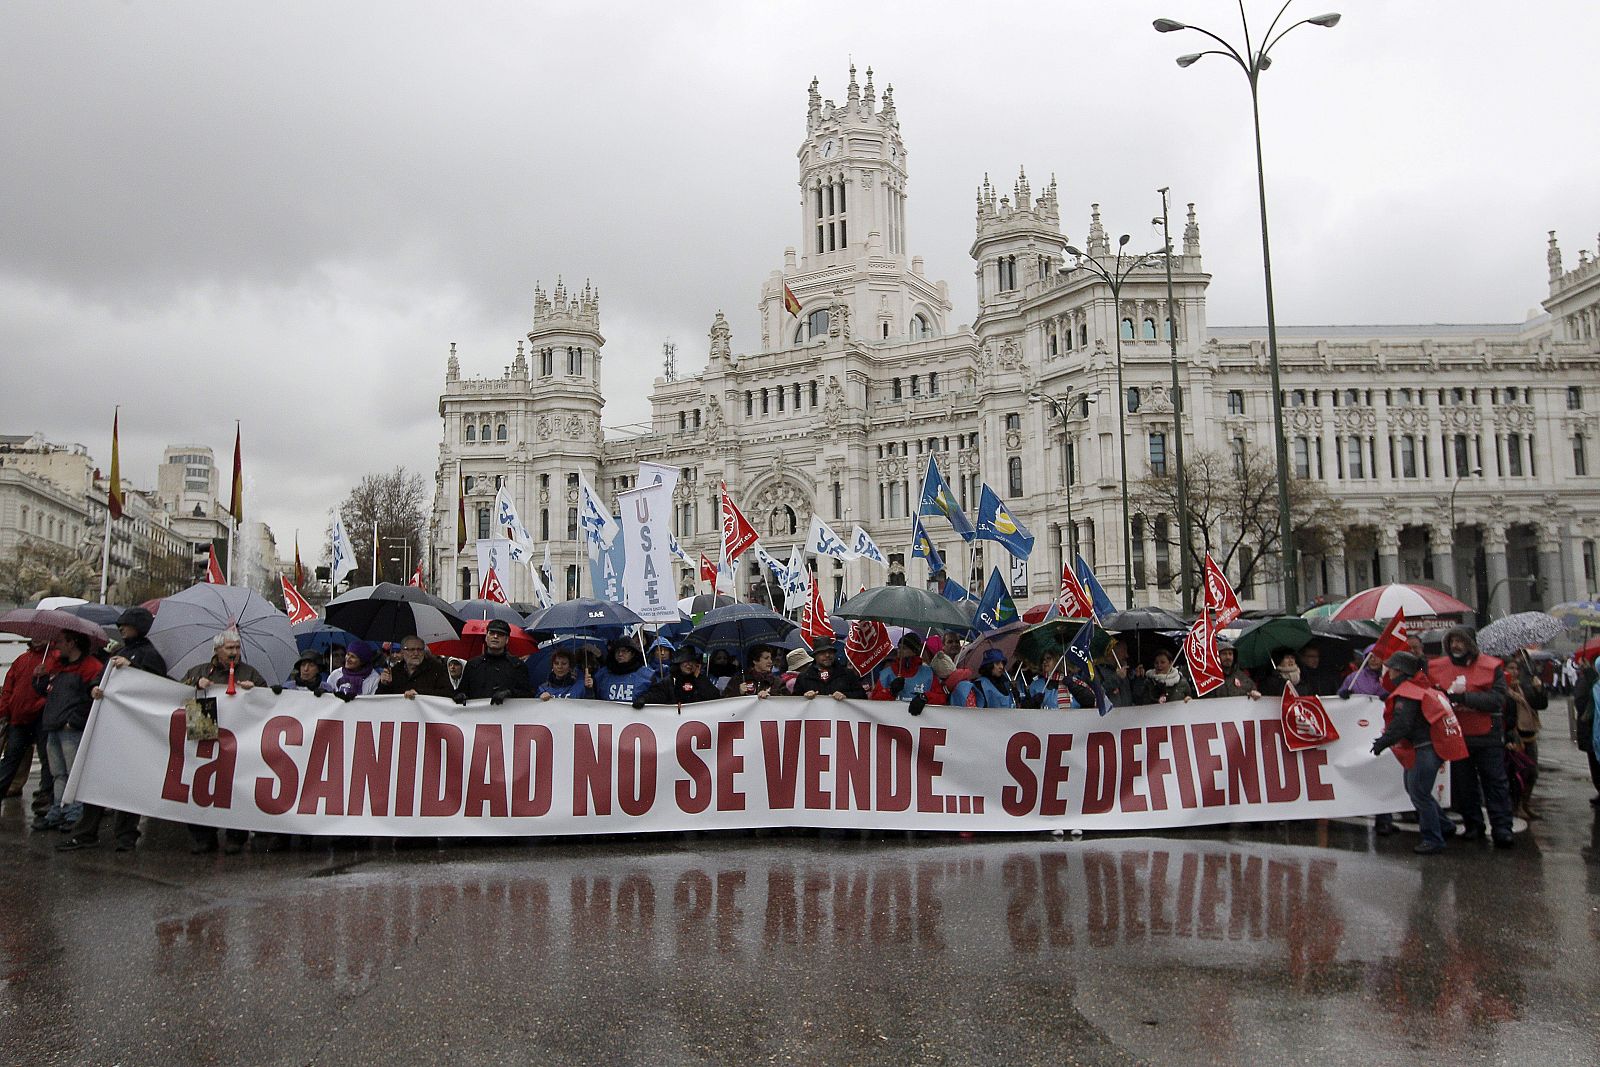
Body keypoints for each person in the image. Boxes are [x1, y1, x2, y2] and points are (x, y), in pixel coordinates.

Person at [60, 608, 168, 852]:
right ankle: (90, 832)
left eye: (125, 625)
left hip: (134, 732)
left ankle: (124, 835)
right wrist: (94, 688)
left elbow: (159, 686)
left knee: (127, 784)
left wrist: (133, 667)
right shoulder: (120, 652)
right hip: (113, 730)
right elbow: (100, 678)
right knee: (98, 780)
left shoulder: (150, 655)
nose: (121, 629)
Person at [180, 630, 267, 854]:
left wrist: (255, 691)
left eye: (237, 648)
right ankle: (203, 837)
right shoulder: (199, 671)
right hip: (204, 731)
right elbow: (179, 691)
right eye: (229, 648)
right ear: (217, 650)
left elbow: (267, 700)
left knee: (236, 786)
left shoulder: (250, 673)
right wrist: (195, 683)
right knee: (200, 784)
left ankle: (235, 838)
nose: (234, 652)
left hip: (238, 736)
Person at [1428, 625, 1514, 848]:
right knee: (1464, 785)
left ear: (1471, 643)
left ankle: (1502, 827)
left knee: (1495, 782)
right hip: (1456, 735)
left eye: (1460, 641)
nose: (1456, 645)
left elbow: (1497, 700)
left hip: (1487, 735)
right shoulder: (1437, 667)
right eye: (1452, 641)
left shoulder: (1491, 666)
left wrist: (1465, 698)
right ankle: (1473, 824)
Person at [1371, 651, 1449, 855]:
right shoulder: (1418, 688)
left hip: (1423, 748)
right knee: (1416, 790)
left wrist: (1382, 743)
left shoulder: (1408, 693)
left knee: (1419, 794)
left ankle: (1433, 839)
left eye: (1391, 669)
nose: (1388, 673)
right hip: (1426, 747)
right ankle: (1444, 825)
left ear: (1399, 671)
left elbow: (1402, 724)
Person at [32, 631, 104, 832]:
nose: (56, 645)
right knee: (58, 774)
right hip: (55, 726)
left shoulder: (90, 667)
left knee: (72, 773)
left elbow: (92, 698)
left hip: (69, 728)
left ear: (72, 643)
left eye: (61, 642)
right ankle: (59, 809)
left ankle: (73, 812)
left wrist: (74, 721)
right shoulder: (58, 666)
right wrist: (39, 678)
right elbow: (46, 691)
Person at [0, 637, 54, 806]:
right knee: (11, 756)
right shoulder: (22, 660)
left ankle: (46, 794)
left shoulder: (55, 659)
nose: (37, 638)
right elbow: (8, 687)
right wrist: (4, 710)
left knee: (46, 757)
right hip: (18, 717)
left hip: (41, 716)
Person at [1502, 656, 1545, 821]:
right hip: (1515, 737)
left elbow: (1540, 705)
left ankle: (1525, 804)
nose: (1514, 672)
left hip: (1529, 735)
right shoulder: (1503, 690)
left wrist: (1539, 690)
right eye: (1511, 668)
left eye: (1516, 669)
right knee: (1517, 774)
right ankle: (1516, 806)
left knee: (1532, 773)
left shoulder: (1523, 687)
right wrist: (1507, 739)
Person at [455, 620, 535, 704]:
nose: (495, 636)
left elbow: (528, 694)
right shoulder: (473, 665)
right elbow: (462, 690)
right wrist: (460, 695)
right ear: (486, 637)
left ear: (507, 640)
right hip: (478, 711)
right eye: (492, 633)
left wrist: (510, 693)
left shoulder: (517, 666)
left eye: (500, 634)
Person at [633, 646, 722, 707]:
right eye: (686, 661)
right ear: (679, 663)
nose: (689, 665)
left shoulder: (701, 680)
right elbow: (657, 695)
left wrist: (699, 678)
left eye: (692, 661)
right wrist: (643, 699)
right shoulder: (670, 681)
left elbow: (714, 696)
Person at [377, 636, 455, 698]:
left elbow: (448, 693)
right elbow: (380, 700)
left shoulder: (436, 669)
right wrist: (384, 684)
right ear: (402, 652)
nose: (416, 653)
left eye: (419, 649)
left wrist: (419, 693)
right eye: (411, 650)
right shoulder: (394, 671)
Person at [874, 636, 936, 704]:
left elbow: (940, 697)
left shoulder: (928, 673)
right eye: (899, 647)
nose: (899, 651)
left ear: (914, 651)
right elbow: (874, 699)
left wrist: (925, 698)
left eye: (904, 648)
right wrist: (891, 691)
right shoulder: (886, 674)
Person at [949, 648, 1016, 708]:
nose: (1001, 667)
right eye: (997, 663)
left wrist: (1014, 691)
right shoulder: (980, 685)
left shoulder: (1005, 682)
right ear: (989, 665)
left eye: (1003, 663)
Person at [1096, 639, 1145, 707]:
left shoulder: (1124, 671)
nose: (1126, 655)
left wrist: (1138, 679)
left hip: (1128, 712)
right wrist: (1117, 678)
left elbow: (1137, 697)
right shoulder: (1097, 670)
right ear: (1112, 651)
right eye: (1123, 651)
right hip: (1111, 713)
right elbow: (1098, 692)